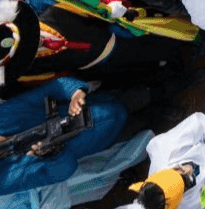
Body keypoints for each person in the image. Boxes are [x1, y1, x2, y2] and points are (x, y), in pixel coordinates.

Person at [0, 75, 128, 195]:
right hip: (111, 137)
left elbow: (55, 87)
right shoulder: (5, 180)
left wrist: (75, 93)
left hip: (106, 100)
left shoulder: (4, 115)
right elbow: (66, 170)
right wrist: (53, 153)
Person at [129, 112, 205, 209]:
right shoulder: (185, 206)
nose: (188, 171)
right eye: (186, 181)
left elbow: (200, 123)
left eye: (180, 170)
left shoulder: (166, 147)